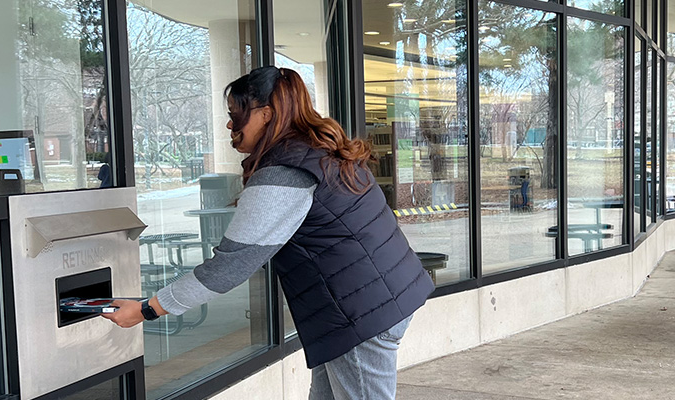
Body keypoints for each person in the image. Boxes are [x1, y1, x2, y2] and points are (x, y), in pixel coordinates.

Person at [103, 66, 434, 399]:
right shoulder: (319, 150)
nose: (230, 125)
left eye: (237, 114)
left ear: (266, 114)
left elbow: (228, 267)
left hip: (360, 313)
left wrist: (148, 309)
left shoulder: (288, 172)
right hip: (375, 299)